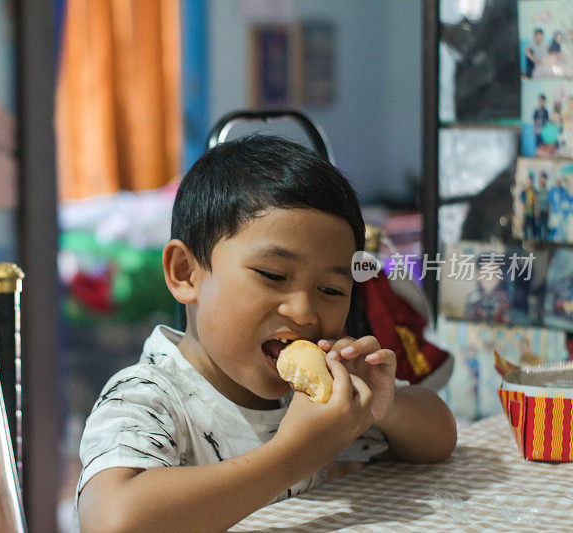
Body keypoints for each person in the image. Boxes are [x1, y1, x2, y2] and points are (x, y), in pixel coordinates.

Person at [75, 136, 457, 532]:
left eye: (331, 290)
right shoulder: (147, 396)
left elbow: (440, 437)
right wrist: (295, 454)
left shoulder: (315, 395)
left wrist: (385, 404)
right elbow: (114, 521)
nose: (304, 311)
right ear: (185, 273)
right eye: (273, 276)